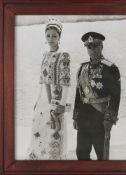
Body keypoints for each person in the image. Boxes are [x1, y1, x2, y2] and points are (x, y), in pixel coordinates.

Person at [26, 19, 71, 160]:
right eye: (48, 35)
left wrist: (62, 104)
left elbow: (66, 83)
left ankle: (54, 159)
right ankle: (39, 157)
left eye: (54, 36)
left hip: (57, 98)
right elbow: (43, 81)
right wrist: (39, 100)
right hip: (44, 99)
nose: (51, 39)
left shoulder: (64, 55)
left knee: (54, 128)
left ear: (59, 37)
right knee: (39, 128)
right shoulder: (45, 55)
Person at [73, 32, 121, 160]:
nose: (92, 50)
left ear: (102, 46)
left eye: (95, 46)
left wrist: (109, 119)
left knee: (102, 155)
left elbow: (116, 97)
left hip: (100, 118)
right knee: (81, 154)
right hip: (83, 118)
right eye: (89, 47)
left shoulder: (110, 68)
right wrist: (76, 117)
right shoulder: (81, 69)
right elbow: (78, 95)